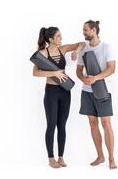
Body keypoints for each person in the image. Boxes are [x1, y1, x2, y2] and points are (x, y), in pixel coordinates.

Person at [33, 26, 84, 168]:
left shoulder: (63, 49)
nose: (61, 38)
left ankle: (61, 157)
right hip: (51, 92)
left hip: (65, 92)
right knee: (51, 125)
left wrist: (76, 51)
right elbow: (35, 72)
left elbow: (82, 43)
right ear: (51, 39)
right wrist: (54, 73)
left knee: (62, 125)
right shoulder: (42, 53)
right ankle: (51, 158)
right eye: (59, 36)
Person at [76, 20, 117, 169]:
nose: (84, 32)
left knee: (106, 124)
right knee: (92, 123)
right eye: (83, 30)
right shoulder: (83, 50)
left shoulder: (107, 47)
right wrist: (83, 79)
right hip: (87, 92)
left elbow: (111, 69)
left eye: (85, 30)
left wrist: (95, 78)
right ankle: (100, 156)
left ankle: (112, 158)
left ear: (93, 30)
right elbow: (79, 71)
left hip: (103, 90)